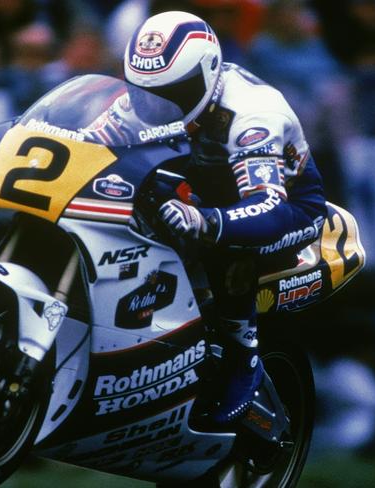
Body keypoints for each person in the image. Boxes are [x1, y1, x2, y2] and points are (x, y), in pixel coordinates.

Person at [123, 10, 327, 424]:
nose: (155, 105)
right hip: (204, 183)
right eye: (144, 92)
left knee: (225, 246)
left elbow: (269, 204)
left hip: (288, 207)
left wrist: (205, 221)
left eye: (173, 92)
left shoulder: (252, 112)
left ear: (207, 72)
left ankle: (242, 355)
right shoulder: (158, 103)